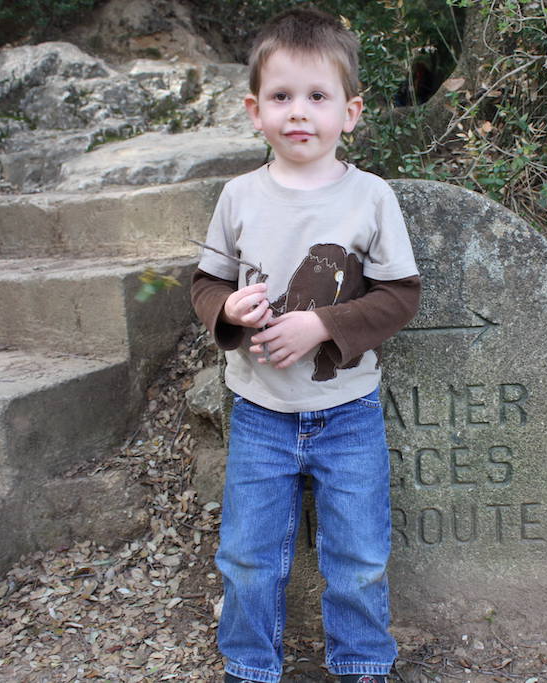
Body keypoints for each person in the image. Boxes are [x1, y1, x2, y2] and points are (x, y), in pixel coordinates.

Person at [189, 8, 421, 683]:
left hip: (348, 410)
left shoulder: (371, 198)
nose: (299, 112)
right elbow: (206, 282)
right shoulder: (239, 197)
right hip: (258, 412)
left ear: (350, 112)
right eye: (282, 96)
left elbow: (401, 294)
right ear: (253, 109)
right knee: (248, 555)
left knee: (359, 553)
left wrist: (321, 325)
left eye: (317, 97)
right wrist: (228, 307)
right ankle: (250, 664)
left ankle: (363, 663)